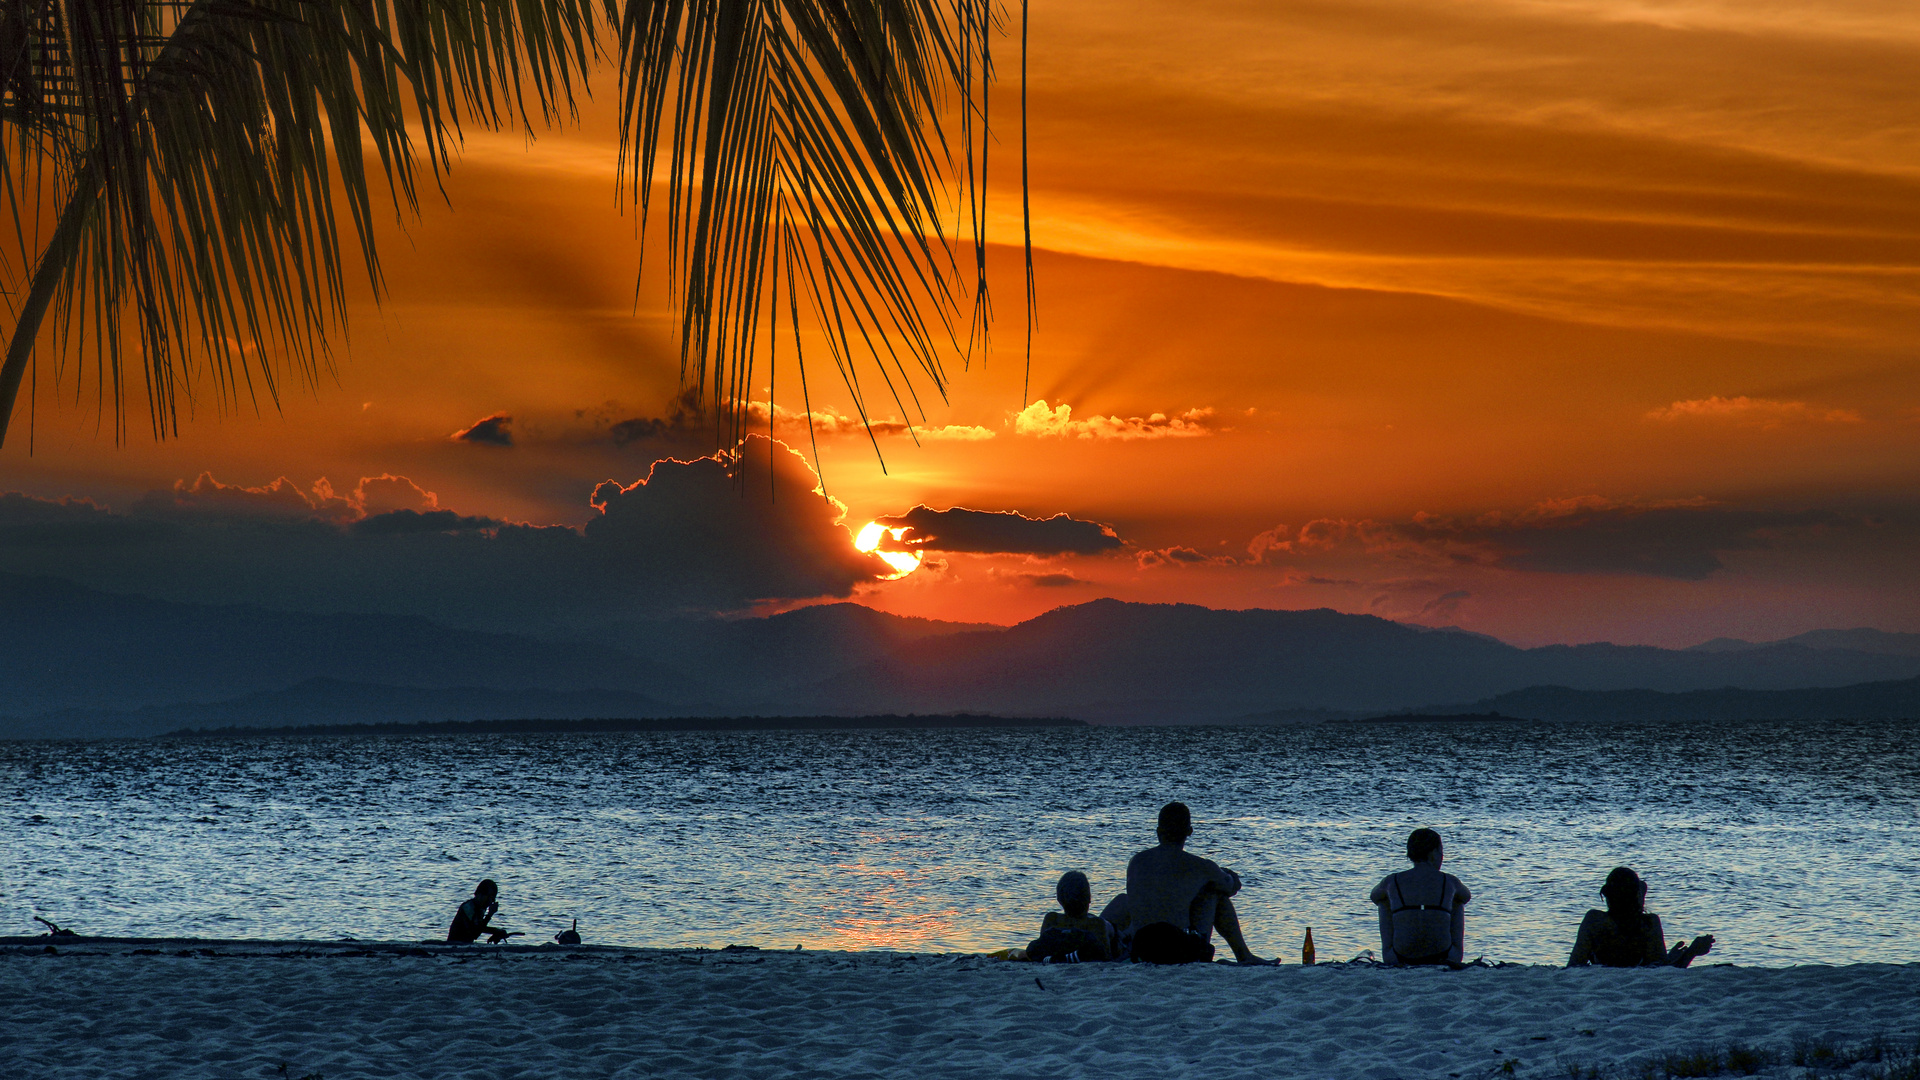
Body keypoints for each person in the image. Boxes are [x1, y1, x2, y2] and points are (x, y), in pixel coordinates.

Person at [1116, 801, 1272, 964]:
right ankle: (1244, 955)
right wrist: (1227, 875)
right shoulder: (1201, 866)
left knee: (1124, 899)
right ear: (1189, 832)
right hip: (1179, 949)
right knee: (1214, 894)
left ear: (1158, 832)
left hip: (1141, 947)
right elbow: (1231, 887)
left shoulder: (1136, 861)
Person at [1567, 866, 1714, 968]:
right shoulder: (1648, 924)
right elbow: (1660, 972)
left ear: (1608, 896)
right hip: (1635, 949)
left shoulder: (1595, 920)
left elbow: (1574, 965)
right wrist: (1691, 953)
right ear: (1636, 897)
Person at [1370, 828, 1471, 967]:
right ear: (1434, 852)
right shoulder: (1450, 881)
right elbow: (1466, 897)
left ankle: (1391, 948)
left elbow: (1374, 896)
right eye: (1441, 851)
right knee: (1457, 902)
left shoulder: (1392, 880)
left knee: (1384, 901)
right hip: (1446, 956)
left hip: (1398, 957)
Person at [1025, 871, 1117, 962]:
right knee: (1122, 900)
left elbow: (1043, 948)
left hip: (1075, 935)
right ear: (1089, 898)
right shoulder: (1097, 924)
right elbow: (1106, 956)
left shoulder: (1052, 920)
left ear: (1059, 900)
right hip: (1113, 933)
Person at [447, 879, 512, 944]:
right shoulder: (468, 907)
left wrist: (496, 931)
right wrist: (489, 915)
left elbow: (479, 927)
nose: (490, 901)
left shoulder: (480, 909)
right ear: (480, 895)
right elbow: (475, 932)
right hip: (456, 944)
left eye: (492, 899)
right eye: (489, 897)